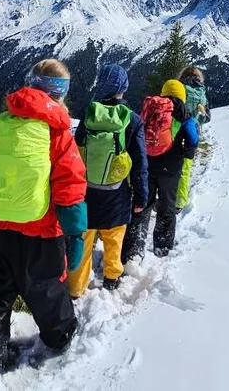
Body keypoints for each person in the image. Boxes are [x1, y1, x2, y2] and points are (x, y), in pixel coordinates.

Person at [0, 59, 88, 388]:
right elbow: (70, 192)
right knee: (48, 292)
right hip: (42, 236)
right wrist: (75, 237)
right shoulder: (58, 135)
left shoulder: (1, 126)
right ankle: (60, 337)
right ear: (60, 96)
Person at [69, 63, 149, 298]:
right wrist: (141, 196)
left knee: (83, 241)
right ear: (122, 89)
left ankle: (75, 288)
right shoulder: (132, 120)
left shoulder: (88, 114)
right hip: (116, 195)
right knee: (114, 239)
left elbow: (76, 153)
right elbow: (140, 162)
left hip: (86, 194)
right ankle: (112, 278)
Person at [121, 79, 199, 262]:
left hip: (146, 165)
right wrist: (186, 153)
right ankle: (162, 249)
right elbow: (193, 141)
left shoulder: (151, 110)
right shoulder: (183, 116)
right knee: (166, 207)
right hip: (170, 169)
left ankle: (132, 251)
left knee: (141, 205)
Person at [177, 67, 211, 210]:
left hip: (176, 132)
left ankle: (165, 195)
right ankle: (180, 201)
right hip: (193, 134)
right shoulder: (201, 94)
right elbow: (207, 118)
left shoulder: (179, 89)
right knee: (185, 168)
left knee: (171, 165)